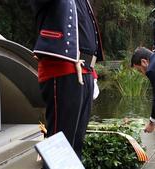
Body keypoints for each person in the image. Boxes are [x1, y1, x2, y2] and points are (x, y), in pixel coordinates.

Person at [30, 0, 104, 163]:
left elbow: (83, 36)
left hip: (85, 71)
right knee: (60, 147)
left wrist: (93, 75)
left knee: (76, 145)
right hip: (63, 70)